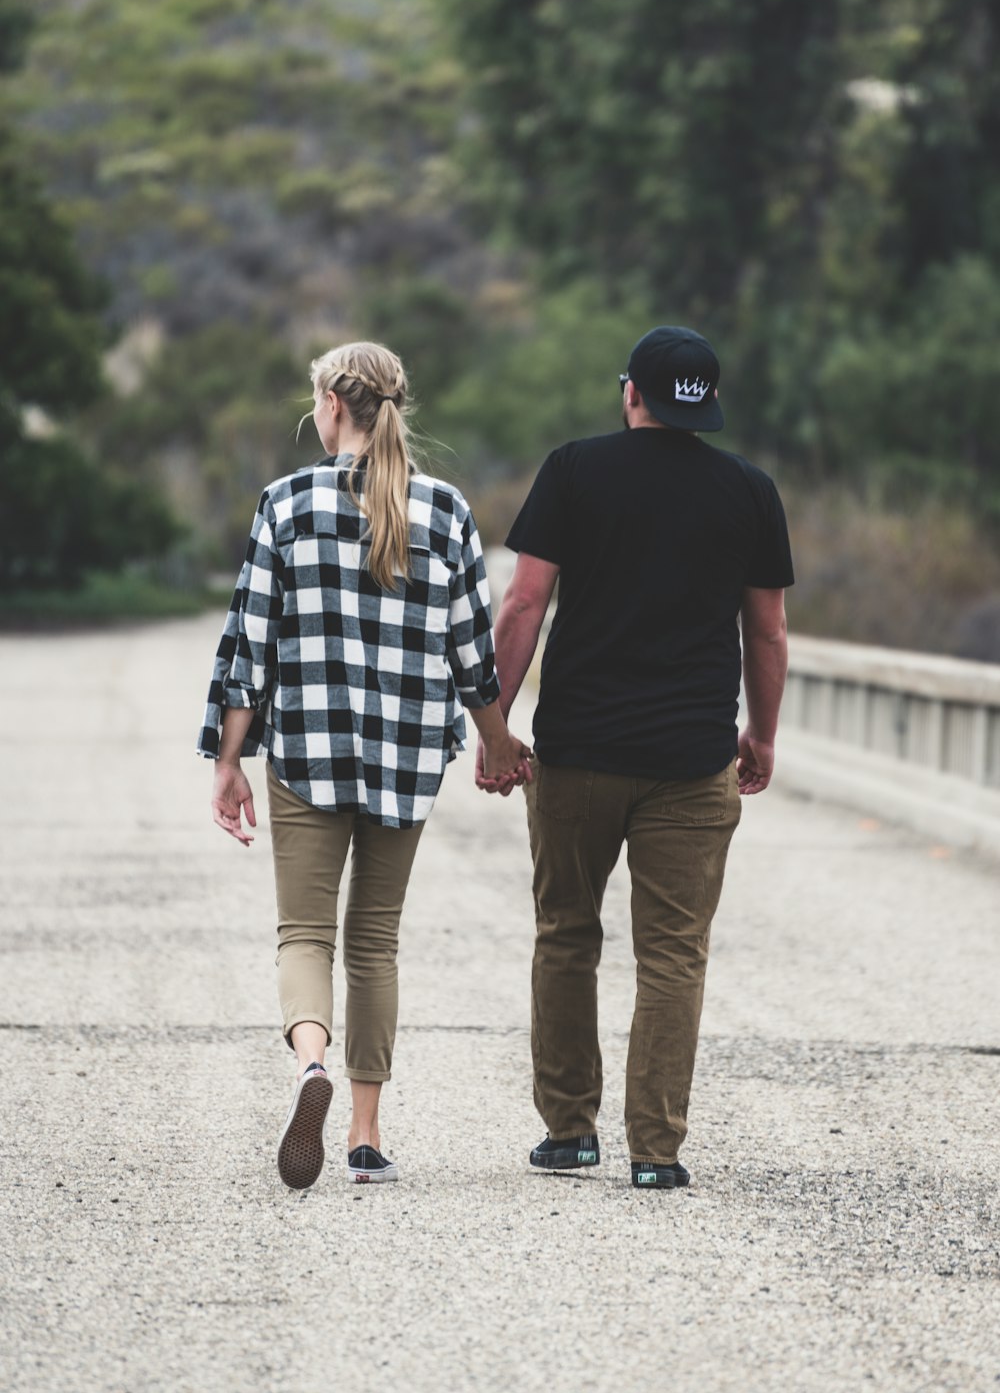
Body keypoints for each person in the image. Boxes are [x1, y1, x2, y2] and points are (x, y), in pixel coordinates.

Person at [198, 341, 531, 1190]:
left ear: (333, 407)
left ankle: (309, 1065)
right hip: (406, 754)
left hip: (307, 748)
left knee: (303, 933)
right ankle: (364, 1133)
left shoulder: (286, 503)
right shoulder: (446, 511)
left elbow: (250, 650)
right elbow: (471, 657)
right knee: (374, 941)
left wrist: (228, 761)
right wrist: (496, 742)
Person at [477, 325, 793, 1189]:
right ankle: (656, 1152)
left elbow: (524, 605)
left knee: (566, 937)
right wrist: (760, 736)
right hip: (693, 762)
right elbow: (764, 629)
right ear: (707, 405)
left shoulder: (574, 469)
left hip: (578, 754)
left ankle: (570, 1132)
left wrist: (497, 725)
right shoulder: (750, 491)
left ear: (631, 394)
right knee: (674, 954)